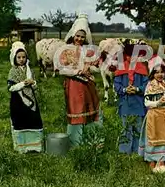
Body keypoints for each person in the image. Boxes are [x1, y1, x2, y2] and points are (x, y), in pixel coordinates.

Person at [57, 13, 103, 147]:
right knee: (76, 110)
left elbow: (97, 66)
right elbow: (61, 69)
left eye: (82, 36)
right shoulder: (66, 50)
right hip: (73, 85)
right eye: (77, 36)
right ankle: (75, 143)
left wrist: (90, 67)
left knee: (90, 110)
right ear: (73, 35)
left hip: (88, 85)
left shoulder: (88, 50)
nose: (79, 39)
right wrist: (76, 71)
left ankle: (91, 141)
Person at [7, 44, 44, 153]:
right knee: (20, 121)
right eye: (19, 57)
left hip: (31, 101)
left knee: (33, 121)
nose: (21, 59)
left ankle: (34, 146)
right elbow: (10, 88)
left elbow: (36, 86)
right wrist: (23, 83)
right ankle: (22, 147)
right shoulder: (13, 71)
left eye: (23, 57)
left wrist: (33, 82)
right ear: (15, 58)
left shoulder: (30, 71)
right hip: (18, 101)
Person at [113, 44, 149, 154]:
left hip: (138, 103)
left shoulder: (142, 68)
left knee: (139, 127)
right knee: (126, 127)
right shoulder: (121, 68)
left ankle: (138, 149)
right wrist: (124, 90)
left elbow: (147, 85)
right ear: (125, 55)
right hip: (125, 103)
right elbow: (116, 85)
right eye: (129, 55)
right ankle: (125, 150)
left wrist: (137, 89)